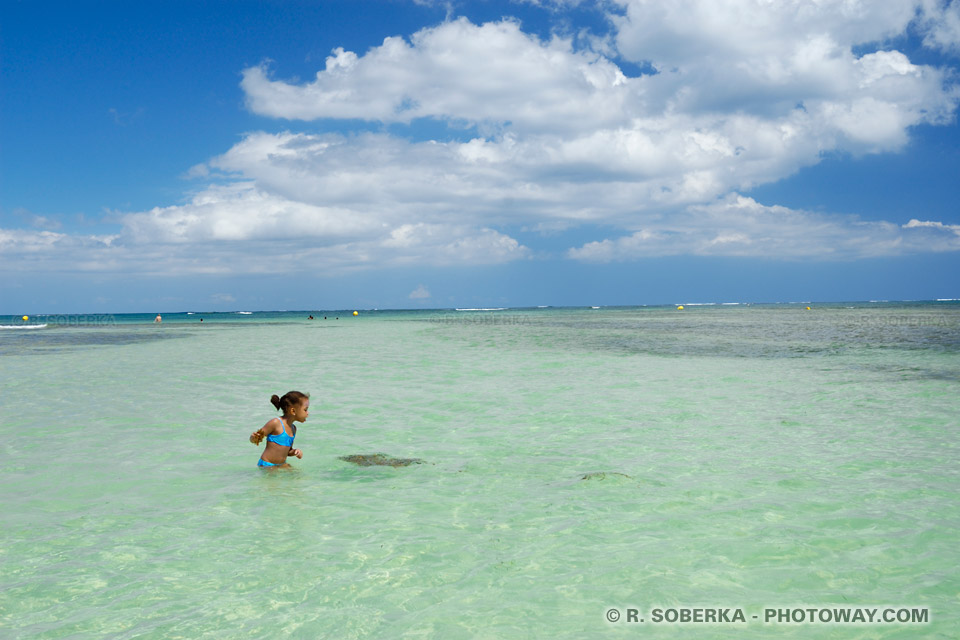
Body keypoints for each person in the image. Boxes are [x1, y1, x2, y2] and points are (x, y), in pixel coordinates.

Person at [249, 391, 309, 468]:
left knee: (298, 476)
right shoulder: (275, 423)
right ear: (293, 411)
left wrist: (294, 452)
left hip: (281, 464)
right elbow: (256, 439)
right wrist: (253, 438)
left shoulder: (293, 429)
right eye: (305, 410)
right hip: (267, 465)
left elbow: (287, 451)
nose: (307, 413)